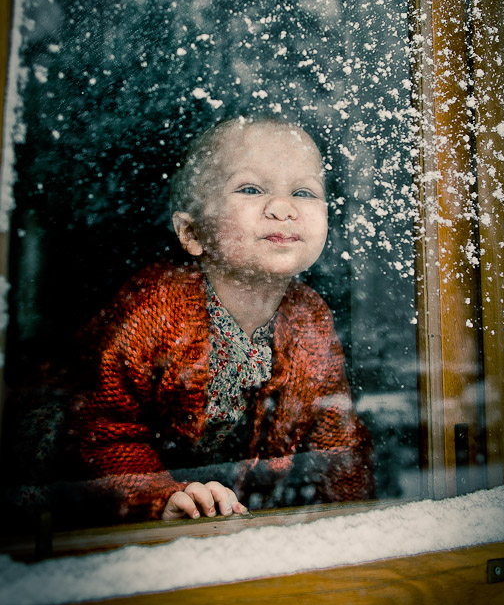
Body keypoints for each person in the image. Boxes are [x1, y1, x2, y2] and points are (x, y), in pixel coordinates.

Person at [72, 116, 374, 522]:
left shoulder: (310, 317)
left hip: (240, 513)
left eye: (304, 192)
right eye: (251, 188)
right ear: (192, 232)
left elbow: (337, 437)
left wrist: (354, 523)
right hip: (130, 512)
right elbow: (103, 431)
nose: (283, 208)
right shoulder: (156, 307)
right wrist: (158, 497)